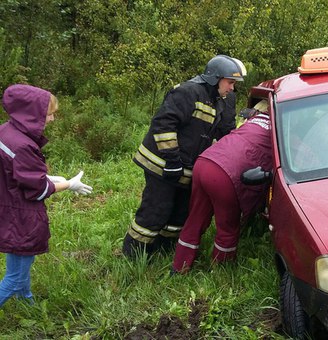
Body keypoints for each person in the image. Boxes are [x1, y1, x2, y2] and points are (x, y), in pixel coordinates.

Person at [122, 55, 247, 259]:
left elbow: (227, 132)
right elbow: (163, 125)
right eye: (230, 82)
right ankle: (133, 255)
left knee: (180, 213)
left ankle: (163, 250)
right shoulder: (187, 92)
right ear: (215, 78)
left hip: (188, 167)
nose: (232, 88)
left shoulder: (225, 100)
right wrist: (171, 161)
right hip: (161, 164)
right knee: (156, 211)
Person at [0, 84, 93, 307]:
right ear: (32, 114)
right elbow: (37, 190)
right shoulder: (24, 146)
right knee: (14, 277)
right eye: (49, 114)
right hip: (21, 216)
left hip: (7, 206)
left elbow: (14, 173)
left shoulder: (6, 131)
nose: (51, 119)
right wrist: (68, 184)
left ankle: (27, 303)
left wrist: (48, 176)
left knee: (20, 261)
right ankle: (22, 295)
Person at [172, 99, 272, 273]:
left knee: (196, 217)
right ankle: (220, 271)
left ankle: (179, 266)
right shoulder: (280, 129)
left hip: (204, 161)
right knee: (228, 226)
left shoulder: (251, 122)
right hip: (224, 174)